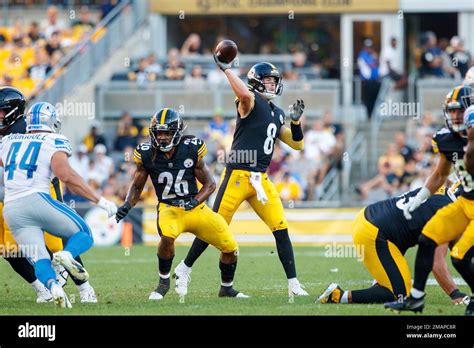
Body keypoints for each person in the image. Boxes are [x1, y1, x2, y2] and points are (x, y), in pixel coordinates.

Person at [173, 54, 309, 297]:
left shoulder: (277, 112)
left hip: (261, 180)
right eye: (267, 80)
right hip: (236, 176)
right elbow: (244, 95)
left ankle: (293, 284)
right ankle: (184, 268)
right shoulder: (249, 101)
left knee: (281, 228)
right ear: (256, 82)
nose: (272, 84)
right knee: (214, 226)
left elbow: (297, 145)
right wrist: (226, 69)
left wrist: (296, 123)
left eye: (273, 80)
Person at [115, 108, 247, 299]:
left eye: (166, 133)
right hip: (169, 208)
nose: (161, 137)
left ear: (176, 133)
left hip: (196, 208)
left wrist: (194, 201)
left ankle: (226, 288)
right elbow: (137, 186)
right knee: (167, 237)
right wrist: (127, 205)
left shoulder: (191, 148)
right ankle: (163, 283)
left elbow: (210, 185)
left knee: (230, 247)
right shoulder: (146, 153)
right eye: (158, 133)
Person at [0, 101, 117, 308]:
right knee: (83, 233)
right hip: (37, 199)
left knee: (39, 258)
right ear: (52, 122)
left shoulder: (8, 141)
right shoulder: (54, 140)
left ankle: (53, 287)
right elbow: (66, 176)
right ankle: (66, 256)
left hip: (11, 209)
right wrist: (99, 200)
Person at [385, 85, 474, 315]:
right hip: (464, 202)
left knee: (460, 257)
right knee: (428, 239)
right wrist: (420, 198)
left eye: (458, 111)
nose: (454, 116)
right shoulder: (446, 139)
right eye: (450, 111)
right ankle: (415, 298)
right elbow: (440, 175)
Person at [317, 183, 467, 305]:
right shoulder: (447, 211)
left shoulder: (441, 192)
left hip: (373, 220)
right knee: (400, 295)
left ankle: (380, 287)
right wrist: (455, 294)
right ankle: (337, 295)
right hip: (374, 231)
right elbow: (436, 262)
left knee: (397, 288)